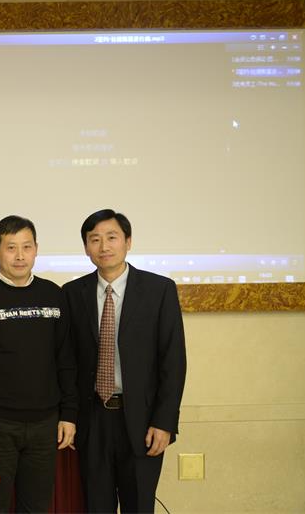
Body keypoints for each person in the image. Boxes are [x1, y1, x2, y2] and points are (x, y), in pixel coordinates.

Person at [63, 209, 187, 513]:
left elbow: (173, 361)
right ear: (86, 247)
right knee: (96, 506)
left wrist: (164, 421)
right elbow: (67, 362)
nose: (104, 246)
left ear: (128, 242)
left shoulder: (159, 290)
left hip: (142, 421)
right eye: (95, 239)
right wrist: (69, 416)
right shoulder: (72, 293)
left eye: (112, 237)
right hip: (92, 420)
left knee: (139, 506)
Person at [0, 215, 77, 513]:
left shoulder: (54, 295)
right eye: (11, 248)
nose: (20, 256)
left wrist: (69, 415)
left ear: (36, 249)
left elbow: (66, 359)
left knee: (36, 507)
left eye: (27, 247)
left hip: (45, 425)